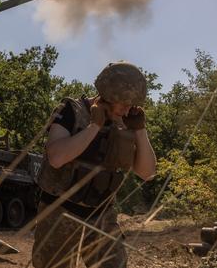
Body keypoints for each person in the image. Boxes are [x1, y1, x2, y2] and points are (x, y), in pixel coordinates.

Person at [32, 62, 157, 268]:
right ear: (107, 94)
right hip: (60, 213)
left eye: (131, 105)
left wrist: (140, 131)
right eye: (123, 103)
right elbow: (56, 157)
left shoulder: (125, 122)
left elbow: (147, 173)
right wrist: (94, 127)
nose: (127, 110)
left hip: (101, 217)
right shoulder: (72, 110)